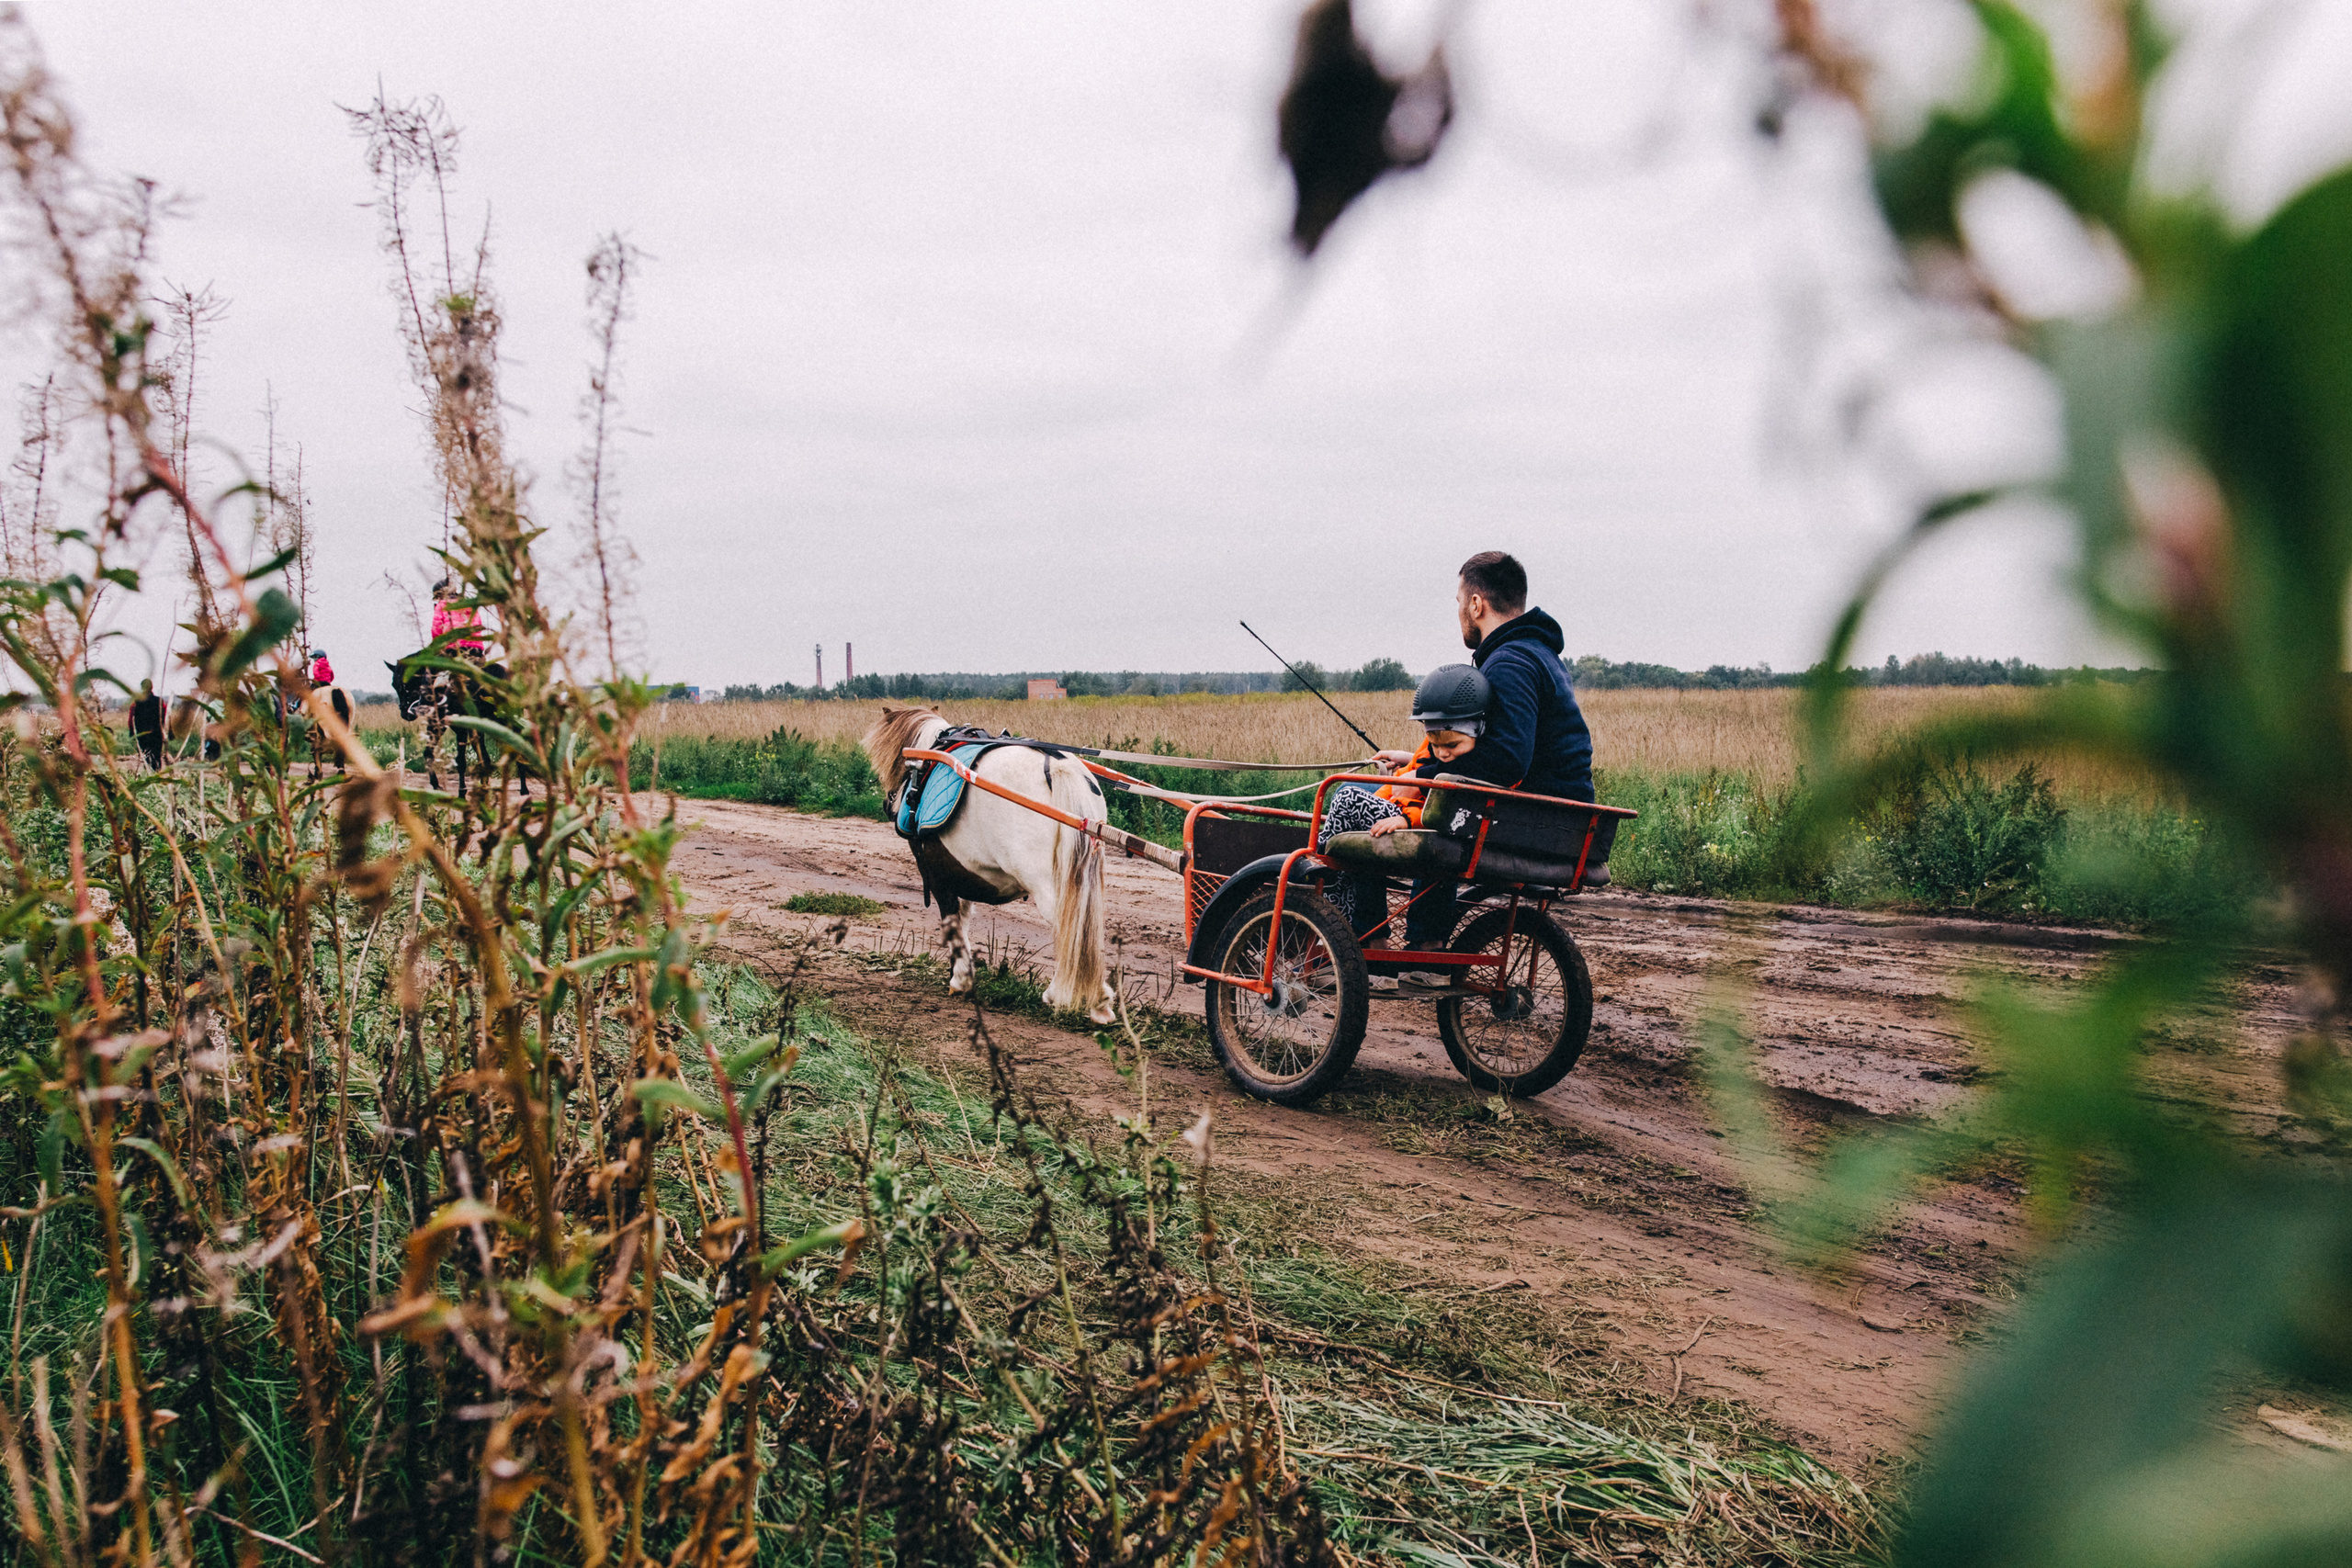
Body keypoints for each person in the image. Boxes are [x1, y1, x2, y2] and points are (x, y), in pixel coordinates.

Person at [1370, 550, 1595, 950]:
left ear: (1476, 604)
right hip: (1553, 815)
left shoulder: (1510, 663)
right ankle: (1423, 945)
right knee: (1437, 803)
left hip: (1527, 818)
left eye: (1459, 602)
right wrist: (1417, 760)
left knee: (1351, 802)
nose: (1459, 612)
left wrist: (1419, 778)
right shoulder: (1537, 653)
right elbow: (1507, 748)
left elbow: (1506, 760)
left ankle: (1364, 942)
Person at [1320, 663, 1486, 942]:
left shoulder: (1474, 767)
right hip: (1409, 811)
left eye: (1452, 746)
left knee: (1347, 796)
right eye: (1436, 744)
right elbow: (1421, 766)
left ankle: (1329, 894)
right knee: (1353, 801)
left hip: (1421, 821)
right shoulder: (1448, 746)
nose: (1443, 754)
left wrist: (1406, 817)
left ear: (1477, 731)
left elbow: (1447, 810)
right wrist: (1402, 767)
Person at [430, 579, 487, 656]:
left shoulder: (442, 605)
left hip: (454, 648)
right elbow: (478, 625)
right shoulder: (469, 604)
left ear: (440, 595)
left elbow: (437, 629)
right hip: (476, 648)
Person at [130, 679, 164, 770]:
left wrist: (132, 732)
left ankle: (149, 775)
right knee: (157, 755)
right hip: (157, 733)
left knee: (146, 756)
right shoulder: (159, 701)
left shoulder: (136, 702)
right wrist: (169, 732)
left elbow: (131, 718)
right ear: (152, 687)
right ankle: (157, 775)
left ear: (142, 688)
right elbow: (165, 716)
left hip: (142, 734)